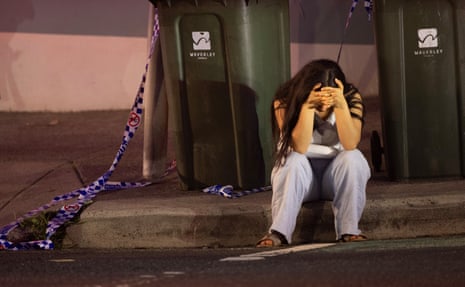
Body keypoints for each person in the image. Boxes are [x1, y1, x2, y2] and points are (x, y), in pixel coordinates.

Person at [256, 59, 371, 247]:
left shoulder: (350, 98)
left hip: (334, 178)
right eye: (319, 99)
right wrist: (307, 107)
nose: (324, 107)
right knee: (292, 159)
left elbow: (350, 143)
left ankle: (349, 230)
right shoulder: (285, 100)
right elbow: (299, 147)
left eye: (329, 99)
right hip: (301, 180)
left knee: (353, 158)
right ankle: (278, 232)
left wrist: (341, 104)